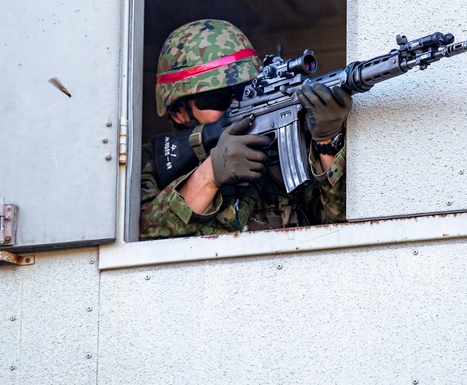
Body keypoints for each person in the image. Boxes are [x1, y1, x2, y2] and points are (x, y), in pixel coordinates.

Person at [139, 19, 350, 239]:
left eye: (241, 90)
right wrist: (209, 175)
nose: (233, 104)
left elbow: (342, 227)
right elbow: (140, 244)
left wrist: (327, 143)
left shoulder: (282, 145)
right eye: (215, 97)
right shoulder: (148, 165)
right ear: (179, 112)